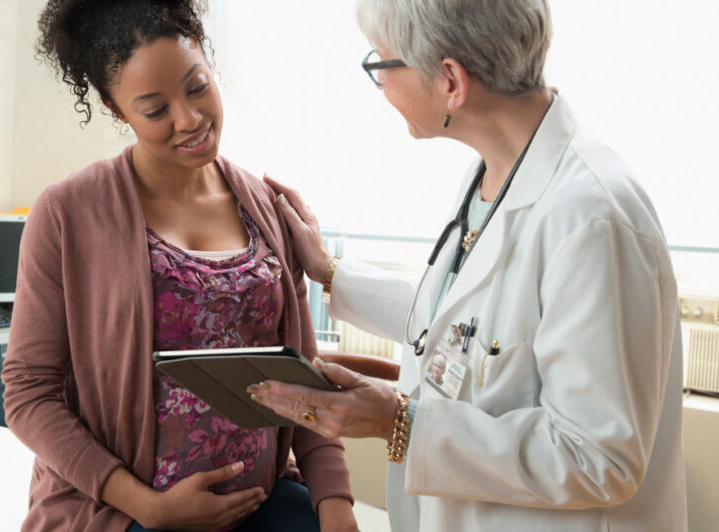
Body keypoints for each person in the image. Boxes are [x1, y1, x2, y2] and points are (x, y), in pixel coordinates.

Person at [248, 0, 688, 530]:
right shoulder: (497, 175)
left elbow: (601, 458)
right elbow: (466, 328)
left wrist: (399, 422)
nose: (382, 87)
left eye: (382, 65)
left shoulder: (593, 220)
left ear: (451, 80)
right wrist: (330, 272)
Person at [0, 1, 357, 530]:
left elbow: (305, 380)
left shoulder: (265, 206)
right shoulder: (67, 213)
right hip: (125, 513)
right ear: (116, 108)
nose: (189, 120)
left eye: (197, 87)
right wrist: (148, 506)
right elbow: (29, 393)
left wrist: (335, 505)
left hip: (258, 505)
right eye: (154, 109)